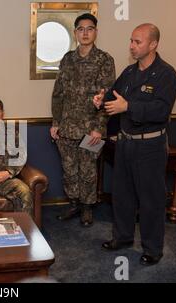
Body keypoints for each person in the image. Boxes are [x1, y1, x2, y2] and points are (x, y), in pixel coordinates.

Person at [94, 24, 176, 266]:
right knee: (122, 195)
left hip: (150, 146)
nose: (132, 46)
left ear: (153, 45)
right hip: (125, 143)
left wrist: (128, 107)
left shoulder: (166, 74)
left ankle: (153, 249)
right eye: (131, 41)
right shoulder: (130, 72)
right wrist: (102, 100)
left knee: (150, 199)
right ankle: (122, 238)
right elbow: (114, 96)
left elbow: (161, 111)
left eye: (137, 42)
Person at [50, 13, 116, 227]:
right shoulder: (67, 59)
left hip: (91, 130)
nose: (85, 33)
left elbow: (108, 96)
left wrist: (99, 127)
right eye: (81, 29)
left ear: (96, 32)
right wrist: (55, 122)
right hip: (67, 127)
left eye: (89, 28)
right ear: (75, 32)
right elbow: (58, 94)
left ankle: (88, 208)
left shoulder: (104, 60)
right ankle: (74, 204)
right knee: (69, 169)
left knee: (88, 171)